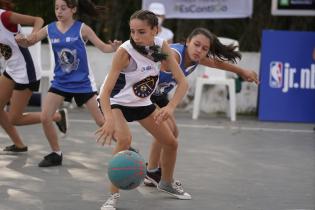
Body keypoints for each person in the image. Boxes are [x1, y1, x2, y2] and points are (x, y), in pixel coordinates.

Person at [96, 9, 191, 210]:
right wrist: (108, 119)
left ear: (155, 30)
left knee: (171, 142)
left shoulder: (160, 46)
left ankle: (166, 182)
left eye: (142, 32)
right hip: (116, 102)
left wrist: (171, 107)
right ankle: (112, 196)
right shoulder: (124, 53)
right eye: (132, 32)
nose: (136, 37)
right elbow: (104, 93)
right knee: (124, 139)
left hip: (141, 102)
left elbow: (183, 82)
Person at [144, 27, 259, 187]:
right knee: (166, 133)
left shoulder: (196, 58)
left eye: (204, 48)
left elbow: (218, 64)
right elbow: (154, 59)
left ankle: (153, 171)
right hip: (145, 92)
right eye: (196, 44)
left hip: (159, 94)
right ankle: (153, 172)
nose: (199, 50)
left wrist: (242, 71)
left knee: (172, 131)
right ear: (187, 42)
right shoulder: (174, 56)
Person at [16, 0, 121, 167]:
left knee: (101, 122)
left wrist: (114, 47)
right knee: (45, 117)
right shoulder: (50, 28)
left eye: (63, 8)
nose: (59, 11)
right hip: (60, 82)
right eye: (56, 8)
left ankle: (127, 149)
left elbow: (103, 47)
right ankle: (56, 153)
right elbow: (32, 40)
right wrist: (23, 40)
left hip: (82, 84)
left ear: (73, 9)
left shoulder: (82, 29)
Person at [0, 0, 68, 153]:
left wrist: (32, 37)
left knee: (14, 119)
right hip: (11, 69)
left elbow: (38, 20)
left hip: (26, 72)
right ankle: (19, 145)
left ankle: (57, 116)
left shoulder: (5, 17)